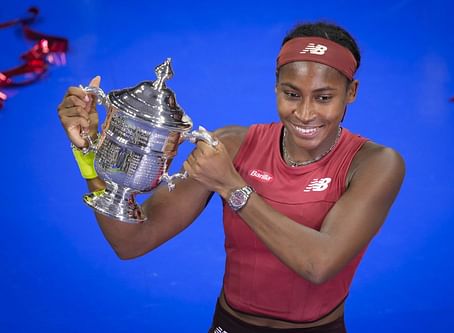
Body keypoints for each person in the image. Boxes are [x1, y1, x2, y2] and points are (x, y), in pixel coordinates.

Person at [57, 21, 405, 333]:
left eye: (324, 97)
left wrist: (233, 186)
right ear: (276, 88)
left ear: (352, 93)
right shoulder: (231, 146)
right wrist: (90, 152)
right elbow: (131, 242)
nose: (304, 112)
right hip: (230, 325)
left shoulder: (376, 164)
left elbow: (319, 264)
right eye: (291, 94)